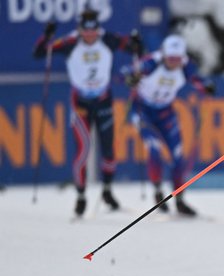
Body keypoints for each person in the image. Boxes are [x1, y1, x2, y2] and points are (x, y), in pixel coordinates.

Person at [33, 8, 143, 216]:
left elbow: (134, 49)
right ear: (80, 29)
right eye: (86, 31)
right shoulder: (70, 42)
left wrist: (136, 42)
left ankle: (107, 191)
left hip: (103, 101)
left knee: (109, 151)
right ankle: (81, 196)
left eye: (93, 30)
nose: (90, 35)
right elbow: (40, 53)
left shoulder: (107, 39)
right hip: (80, 103)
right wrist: (46, 35)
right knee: (83, 151)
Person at [122, 34, 216, 216]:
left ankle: (180, 200)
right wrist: (130, 78)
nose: (174, 63)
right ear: (163, 54)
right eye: (170, 58)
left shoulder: (186, 66)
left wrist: (206, 86)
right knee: (154, 150)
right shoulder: (151, 63)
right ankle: (158, 194)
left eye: (178, 59)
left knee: (177, 155)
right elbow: (126, 71)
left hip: (165, 113)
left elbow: (196, 80)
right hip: (143, 111)